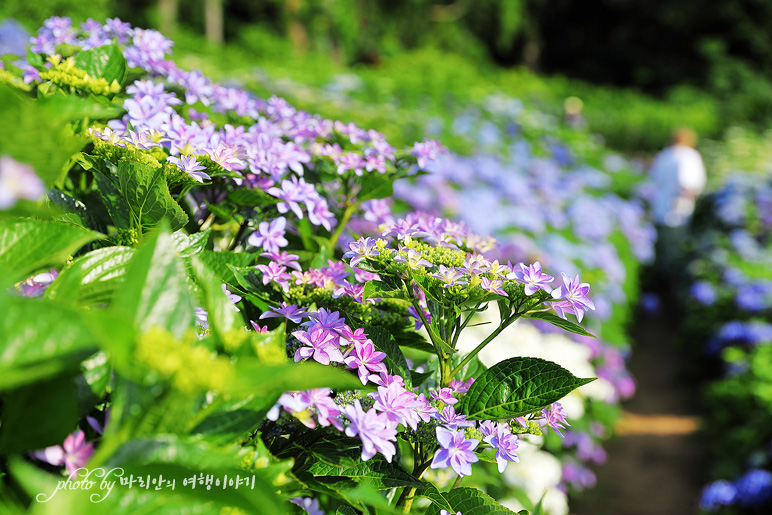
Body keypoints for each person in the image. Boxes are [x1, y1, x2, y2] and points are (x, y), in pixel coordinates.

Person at [649, 127, 706, 228]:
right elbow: (689, 184)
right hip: (678, 211)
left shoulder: (664, 155)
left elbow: (653, 180)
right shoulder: (690, 156)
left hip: (658, 209)